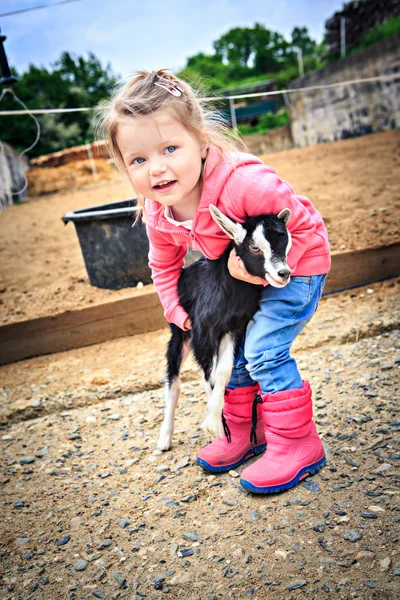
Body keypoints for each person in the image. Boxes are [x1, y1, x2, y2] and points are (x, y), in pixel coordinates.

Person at [96, 69, 331, 494]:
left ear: (202, 141)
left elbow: (296, 225)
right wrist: (176, 309)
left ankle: (298, 442)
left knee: (262, 349)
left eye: (170, 148)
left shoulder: (245, 184)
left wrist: (271, 268)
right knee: (232, 346)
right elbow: (163, 265)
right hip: (252, 274)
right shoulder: (158, 212)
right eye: (139, 159)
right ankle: (247, 432)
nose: (157, 168)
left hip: (298, 265)